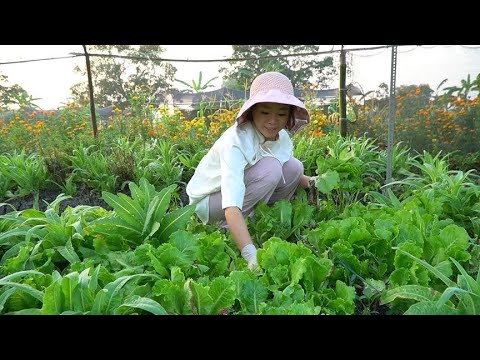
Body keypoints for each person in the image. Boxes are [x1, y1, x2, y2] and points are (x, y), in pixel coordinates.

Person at [186, 71, 316, 270]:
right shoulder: (236, 142)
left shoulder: (280, 138)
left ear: (289, 115)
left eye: (281, 113)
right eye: (265, 112)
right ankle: (229, 231)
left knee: (294, 167)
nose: (273, 121)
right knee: (272, 169)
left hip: (239, 196)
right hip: (211, 202)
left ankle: (258, 221)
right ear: (252, 111)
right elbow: (231, 202)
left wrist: (316, 181)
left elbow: (290, 171)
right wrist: (251, 255)